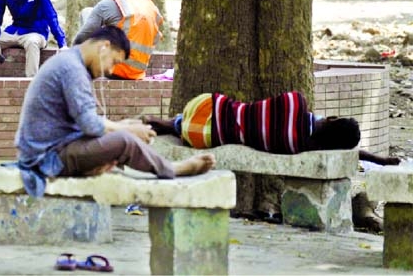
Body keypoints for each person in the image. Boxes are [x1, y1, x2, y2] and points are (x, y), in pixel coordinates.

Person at [14, 27, 215, 196]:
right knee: (123, 141)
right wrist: (127, 132)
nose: (111, 71)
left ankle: (147, 158)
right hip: (46, 157)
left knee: (125, 129)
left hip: (57, 147)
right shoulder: (71, 69)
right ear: (104, 47)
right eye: (114, 62)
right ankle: (171, 168)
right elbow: (90, 124)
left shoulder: (72, 63)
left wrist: (126, 126)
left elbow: (84, 121)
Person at [143, 91, 399, 163]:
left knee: (231, 111)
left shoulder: (296, 101)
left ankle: (173, 123)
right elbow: (351, 153)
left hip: (203, 106)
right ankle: (178, 126)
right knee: (214, 129)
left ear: (331, 118)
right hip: (204, 138)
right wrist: (381, 160)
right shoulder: (299, 146)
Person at [73, 0, 163, 80]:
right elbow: (155, 38)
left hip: (114, 68)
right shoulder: (150, 5)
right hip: (139, 71)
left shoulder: (108, 4)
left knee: (87, 12)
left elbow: (81, 37)